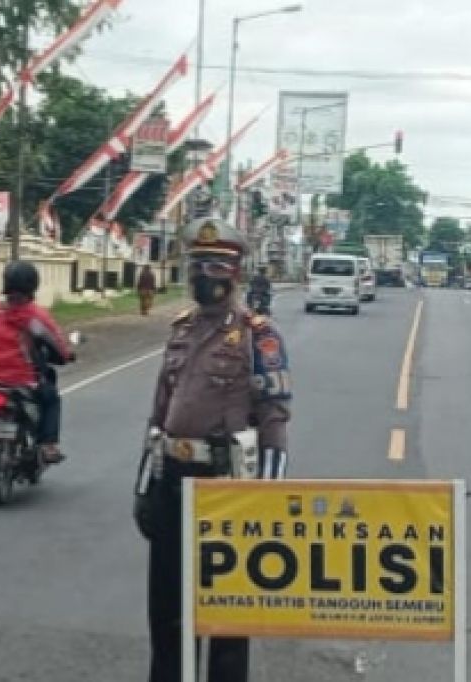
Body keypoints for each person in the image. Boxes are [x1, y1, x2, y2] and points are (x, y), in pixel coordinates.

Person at [133, 218, 292, 682]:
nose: (205, 274)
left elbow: (274, 419)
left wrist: (268, 499)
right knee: (166, 616)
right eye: (198, 264)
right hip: (171, 483)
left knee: (226, 617)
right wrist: (144, 485)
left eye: (217, 266)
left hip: (228, 492)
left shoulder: (258, 336)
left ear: (236, 272)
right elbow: (158, 417)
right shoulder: (180, 330)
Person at [0, 261, 74, 464]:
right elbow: (58, 345)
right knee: (52, 398)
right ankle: (48, 445)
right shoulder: (36, 316)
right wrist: (66, 355)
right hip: (23, 381)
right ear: (33, 285)